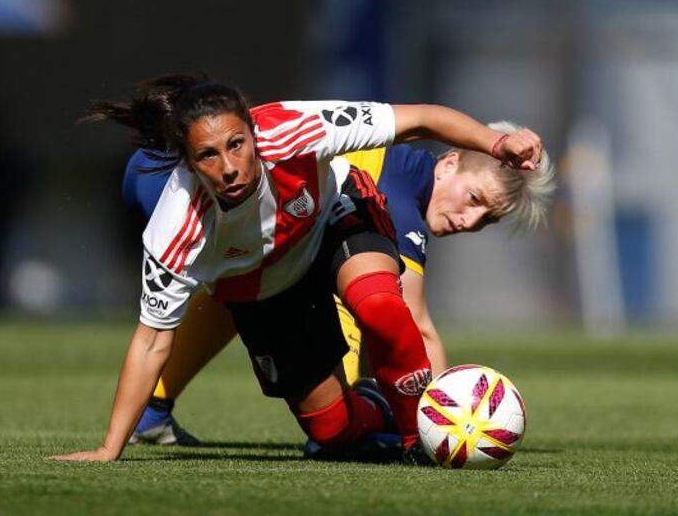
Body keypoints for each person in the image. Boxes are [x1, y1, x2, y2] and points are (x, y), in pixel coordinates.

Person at [52, 73, 543, 463]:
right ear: (189, 162)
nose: (229, 167)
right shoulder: (176, 228)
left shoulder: (294, 128)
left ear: (254, 131)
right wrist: (107, 449)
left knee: (378, 303)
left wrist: (496, 145)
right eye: (208, 155)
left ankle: (419, 436)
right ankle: (381, 414)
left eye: (238, 145)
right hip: (269, 284)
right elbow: (150, 341)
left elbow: (423, 117)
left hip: (335, 218)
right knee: (332, 430)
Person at [124, 127, 555, 447]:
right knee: (345, 405)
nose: (469, 222)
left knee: (241, 284)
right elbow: (413, 325)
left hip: (153, 163)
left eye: (489, 220)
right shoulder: (399, 199)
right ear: (449, 163)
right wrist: (442, 422)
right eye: (475, 200)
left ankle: (152, 409)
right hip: (176, 178)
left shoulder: (398, 172)